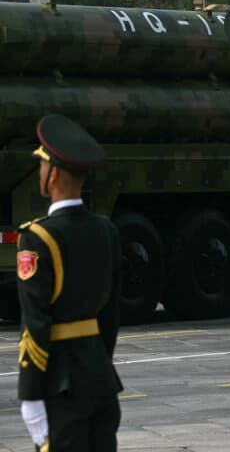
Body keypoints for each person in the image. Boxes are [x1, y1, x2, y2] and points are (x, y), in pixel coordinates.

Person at [17, 114, 122, 451]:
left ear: (54, 173)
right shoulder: (106, 230)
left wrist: (30, 394)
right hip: (100, 377)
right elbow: (111, 314)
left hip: (61, 384)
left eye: (42, 166)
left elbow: (36, 323)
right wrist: (99, 362)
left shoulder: (38, 237)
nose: (40, 173)